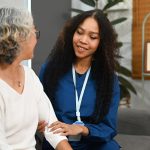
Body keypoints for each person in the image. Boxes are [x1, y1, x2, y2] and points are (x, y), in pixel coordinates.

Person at [39, 9, 121, 150]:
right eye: (79, 32)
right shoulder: (50, 70)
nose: (83, 40)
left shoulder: (109, 79)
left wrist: (82, 129)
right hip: (59, 142)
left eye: (93, 37)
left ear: (101, 42)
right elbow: (38, 109)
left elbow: (109, 128)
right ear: (72, 33)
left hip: (94, 143)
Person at [0, 7, 72, 150]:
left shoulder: (30, 76)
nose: (36, 38)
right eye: (35, 32)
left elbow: (52, 127)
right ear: (19, 38)